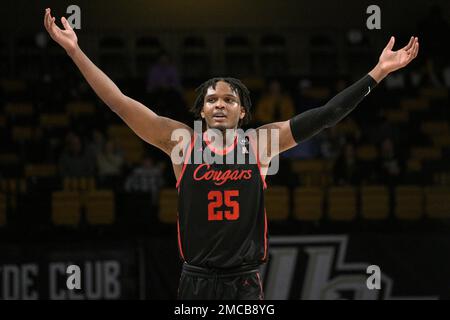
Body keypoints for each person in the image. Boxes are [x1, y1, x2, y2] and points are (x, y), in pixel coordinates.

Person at [44, 8, 419, 300]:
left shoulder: (259, 145)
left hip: (243, 282)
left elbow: (326, 116)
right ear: (201, 111)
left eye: (229, 99)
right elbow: (119, 103)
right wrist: (75, 51)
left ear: (242, 112)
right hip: (196, 279)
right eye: (211, 100)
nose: (219, 104)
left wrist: (377, 73)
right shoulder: (182, 143)